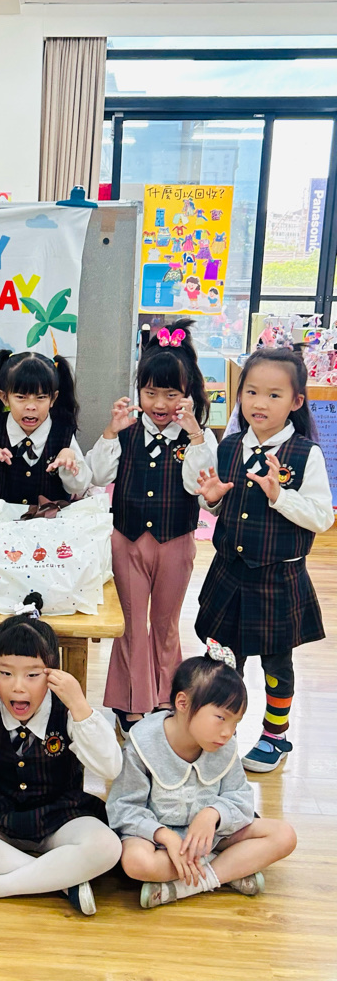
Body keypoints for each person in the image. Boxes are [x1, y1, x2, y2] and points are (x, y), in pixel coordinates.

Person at [0, 595, 122, 914]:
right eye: (6, 673)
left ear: (52, 674)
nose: (18, 687)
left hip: (60, 816)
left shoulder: (67, 708)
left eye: (32, 675)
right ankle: (61, 880)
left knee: (107, 846)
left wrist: (81, 707)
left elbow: (111, 767)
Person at [194, 347, 333, 772]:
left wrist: (280, 496)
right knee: (222, 659)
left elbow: (322, 518)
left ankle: (275, 736)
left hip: (278, 578)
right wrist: (212, 501)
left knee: (276, 663)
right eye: (252, 391)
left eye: (274, 395)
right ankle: (221, 729)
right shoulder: (229, 446)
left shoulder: (306, 453)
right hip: (228, 573)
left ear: (296, 401)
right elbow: (224, 504)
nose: (260, 403)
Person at [87, 319, 213, 735]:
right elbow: (97, 475)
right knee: (129, 624)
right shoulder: (125, 433)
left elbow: (199, 487)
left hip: (176, 542)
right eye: (151, 392)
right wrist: (110, 431)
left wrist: (196, 436)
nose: (160, 403)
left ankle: (164, 697)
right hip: (126, 541)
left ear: (189, 395)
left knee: (165, 624)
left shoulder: (197, 438)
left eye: (171, 394)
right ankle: (129, 702)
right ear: (139, 391)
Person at [106, 643, 297, 909]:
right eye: (221, 717)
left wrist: (212, 814)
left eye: (235, 722)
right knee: (136, 861)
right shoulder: (142, 743)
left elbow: (241, 798)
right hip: (161, 842)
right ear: (182, 703)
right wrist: (164, 836)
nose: (228, 732)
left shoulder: (224, 744)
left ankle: (184, 886)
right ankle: (229, 869)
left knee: (284, 835)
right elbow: (124, 808)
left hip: (213, 837)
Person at [0, 350, 91, 515]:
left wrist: (69, 463)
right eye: (21, 397)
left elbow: (78, 487)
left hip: (49, 526)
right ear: (4, 398)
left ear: (53, 399)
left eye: (41, 397)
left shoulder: (64, 434)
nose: (31, 406)